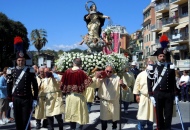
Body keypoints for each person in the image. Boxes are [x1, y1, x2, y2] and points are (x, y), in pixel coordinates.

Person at [6, 36, 38, 130]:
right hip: (16, 98)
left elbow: (35, 85)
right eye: (19, 60)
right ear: (16, 61)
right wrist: (10, 100)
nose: (21, 62)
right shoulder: (11, 71)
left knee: (26, 119)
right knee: (18, 119)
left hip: (27, 99)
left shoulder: (30, 70)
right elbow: (9, 86)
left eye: (22, 60)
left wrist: (35, 98)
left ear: (25, 61)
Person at [147, 46, 179, 130]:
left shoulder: (170, 67)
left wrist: (175, 94)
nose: (162, 58)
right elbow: (149, 82)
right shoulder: (152, 68)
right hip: (158, 94)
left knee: (168, 114)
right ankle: (160, 128)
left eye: (163, 56)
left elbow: (173, 82)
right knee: (159, 114)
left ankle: (168, 128)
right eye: (160, 56)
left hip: (168, 94)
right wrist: (151, 95)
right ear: (157, 57)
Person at [60, 58, 92, 130]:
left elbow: (61, 84)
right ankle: (79, 128)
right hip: (79, 97)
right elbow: (88, 83)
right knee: (80, 114)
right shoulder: (82, 72)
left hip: (69, 97)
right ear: (80, 64)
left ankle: (72, 128)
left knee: (71, 114)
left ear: (73, 63)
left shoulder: (67, 72)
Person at [93, 65, 128, 130]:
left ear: (112, 72)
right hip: (104, 101)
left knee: (114, 117)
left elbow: (125, 88)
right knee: (104, 118)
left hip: (114, 101)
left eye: (110, 71)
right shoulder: (101, 78)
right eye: (107, 71)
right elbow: (95, 85)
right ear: (105, 70)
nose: (108, 73)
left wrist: (122, 84)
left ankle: (114, 127)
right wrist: (97, 77)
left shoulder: (117, 78)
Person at [133, 57, 156, 130]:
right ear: (146, 65)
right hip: (143, 97)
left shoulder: (156, 74)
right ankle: (141, 127)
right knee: (142, 115)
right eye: (149, 64)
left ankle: (150, 127)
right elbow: (137, 85)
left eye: (152, 64)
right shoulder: (141, 74)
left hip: (153, 98)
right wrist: (136, 95)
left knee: (151, 116)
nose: (150, 66)